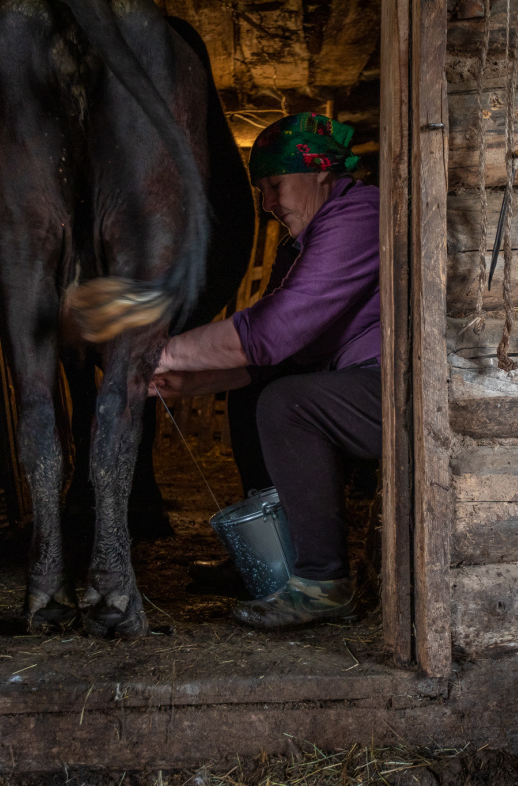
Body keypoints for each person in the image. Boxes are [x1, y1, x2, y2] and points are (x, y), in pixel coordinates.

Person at [149, 112, 381, 630]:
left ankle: (322, 583)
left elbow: (272, 332)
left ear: (321, 172)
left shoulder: (358, 216)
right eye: (262, 190)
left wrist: (157, 355)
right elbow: (273, 356)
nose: (267, 204)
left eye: (275, 185)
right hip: (359, 384)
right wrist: (189, 382)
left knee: (287, 403)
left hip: (393, 388)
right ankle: (270, 559)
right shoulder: (305, 240)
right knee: (256, 392)